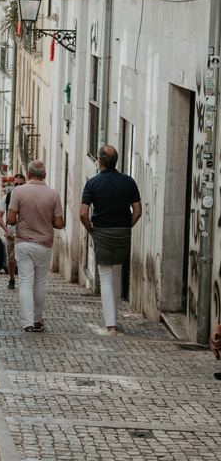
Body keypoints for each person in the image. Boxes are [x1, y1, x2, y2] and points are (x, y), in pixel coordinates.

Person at [80, 144, 142, 336]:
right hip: (123, 233)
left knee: (106, 278)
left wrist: (92, 231)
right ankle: (114, 319)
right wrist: (126, 226)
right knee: (116, 274)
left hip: (102, 232)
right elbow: (138, 210)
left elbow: (83, 214)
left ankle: (111, 325)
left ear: (99, 161)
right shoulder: (129, 182)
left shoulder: (92, 183)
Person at [7, 160, 63, 332]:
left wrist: (22, 220)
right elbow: (59, 224)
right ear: (44, 175)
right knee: (39, 282)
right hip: (43, 244)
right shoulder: (53, 195)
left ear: (28, 174)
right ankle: (37, 320)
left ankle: (27, 323)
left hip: (23, 243)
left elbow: (10, 219)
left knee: (25, 283)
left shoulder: (18, 191)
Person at [0, 172, 26, 289]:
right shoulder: (8, 197)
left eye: (21, 184)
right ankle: (12, 279)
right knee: (11, 258)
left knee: (24, 258)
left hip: (25, 233)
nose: (18, 186)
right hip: (11, 232)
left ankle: (24, 281)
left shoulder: (28, 197)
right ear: (13, 184)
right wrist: (6, 229)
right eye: (16, 184)